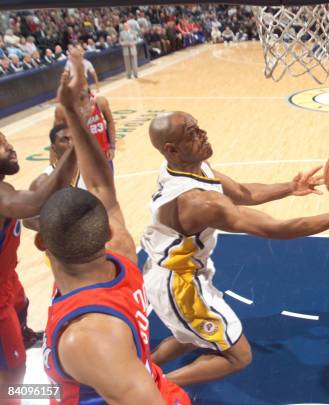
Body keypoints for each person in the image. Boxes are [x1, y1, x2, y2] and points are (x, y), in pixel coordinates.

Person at [141, 111, 329, 386]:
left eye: (199, 127)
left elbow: (243, 193)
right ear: (171, 149)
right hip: (179, 284)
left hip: (174, 270)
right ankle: (150, 392)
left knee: (189, 336)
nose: (203, 134)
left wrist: (290, 188)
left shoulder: (188, 166)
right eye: (192, 134)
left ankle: (140, 371)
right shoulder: (198, 202)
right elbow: (275, 229)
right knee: (238, 357)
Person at [39, 49, 189, 405]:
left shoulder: (86, 337)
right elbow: (101, 188)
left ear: (42, 244)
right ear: (106, 232)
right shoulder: (120, 251)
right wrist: (72, 113)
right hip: (148, 380)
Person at [0, 129, 76, 401]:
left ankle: (22, 336)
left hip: (7, 277)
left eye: (6, 140)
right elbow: (35, 202)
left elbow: (33, 212)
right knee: (14, 372)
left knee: (22, 304)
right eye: (0, 145)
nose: (10, 147)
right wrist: (72, 150)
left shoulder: (5, 188)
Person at [23, 123, 85, 232]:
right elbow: (28, 220)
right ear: (53, 148)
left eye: (73, 138)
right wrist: (61, 234)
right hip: (63, 246)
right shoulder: (42, 182)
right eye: (64, 140)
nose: (71, 144)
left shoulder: (91, 172)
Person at [55, 87, 116, 166]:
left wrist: (112, 147)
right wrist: (86, 117)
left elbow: (110, 121)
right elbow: (61, 137)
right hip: (82, 161)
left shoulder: (100, 102)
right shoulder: (64, 110)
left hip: (104, 156)